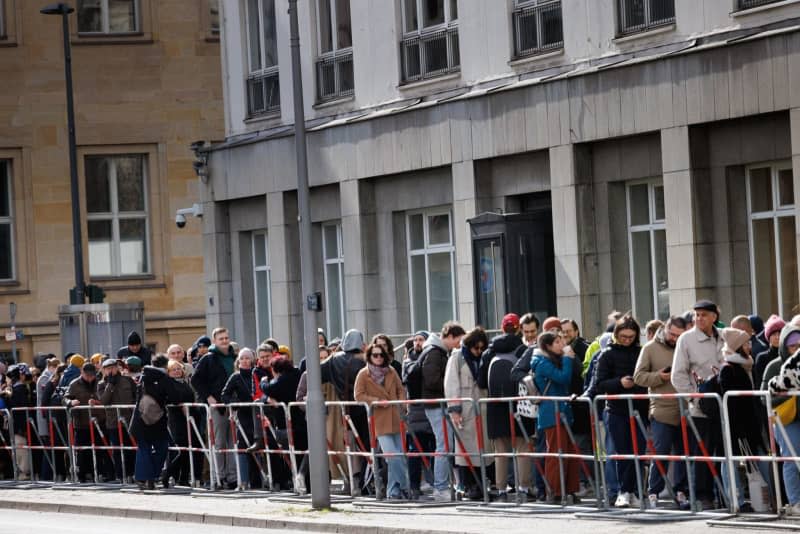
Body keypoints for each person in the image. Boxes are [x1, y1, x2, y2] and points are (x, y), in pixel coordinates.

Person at [671, 300, 725, 509]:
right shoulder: (686, 339)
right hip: (701, 407)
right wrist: (694, 398)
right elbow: (678, 375)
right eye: (697, 314)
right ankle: (704, 496)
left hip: (724, 405)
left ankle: (726, 493)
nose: (699, 318)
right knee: (703, 453)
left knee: (723, 451)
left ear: (714, 317)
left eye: (704, 314)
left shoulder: (723, 336)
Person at [633, 315, 689, 509]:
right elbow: (638, 377)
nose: (674, 339)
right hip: (661, 409)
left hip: (685, 408)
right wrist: (659, 376)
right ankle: (653, 492)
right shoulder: (650, 348)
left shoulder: (685, 346)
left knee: (683, 454)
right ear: (664, 328)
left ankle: (681, 491)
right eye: (672, 334)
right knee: (661, 451)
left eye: (678, 336)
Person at [595, 314, 648, 508]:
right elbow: (599, 383)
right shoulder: (607, 354)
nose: (627, 340)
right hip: (616, 410)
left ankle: (633, 491)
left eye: (631, 337)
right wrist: (619, 383)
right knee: (623, 452)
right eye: (623, 336)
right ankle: (624, 491)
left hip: (640, 408)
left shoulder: (641, 352)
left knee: (639, 452)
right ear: (616, 334)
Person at [480, 313, 531, 499]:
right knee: (522, 446)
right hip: (519, 404)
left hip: (495, 405)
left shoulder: (489, 351)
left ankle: (501, 489)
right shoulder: (523, 349)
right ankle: (524, 488)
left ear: (502, 328)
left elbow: (481, 382)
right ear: (518, 328)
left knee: (500, 450)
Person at [718, 327, 767, 512]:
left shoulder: (747, 364)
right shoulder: (729, 369)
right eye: (746, 343)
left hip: (750, 424)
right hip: (736, 426)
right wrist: (738, 428)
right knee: (729, 461)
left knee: (759, 459)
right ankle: (736, 501)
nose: (749, 346)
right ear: (737, 346)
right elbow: (730, 402)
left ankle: (768, 498)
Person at [355, 343, 409, 500]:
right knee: (392, 456)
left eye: (381, 355)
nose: (378, 358)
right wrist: (377, 401)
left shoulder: (391, 371)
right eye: (375, 355)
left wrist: (401, 404)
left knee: (398, 455)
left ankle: (393, 491)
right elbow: (358, 396)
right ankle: (405, 485)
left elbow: (401, 389)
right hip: (379, 419)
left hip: (396, 417)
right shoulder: (363, 374)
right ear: (369, 356)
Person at [531, 331, 580, 503]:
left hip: (563, 411)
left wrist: (569, 359)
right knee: (555, 453)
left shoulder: (553, 360)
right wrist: (567, 358)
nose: (562, 344)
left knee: (570, 452)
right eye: (558, 342)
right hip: (551, 413)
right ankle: (555, 491)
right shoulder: (542, 363)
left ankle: (570, 489)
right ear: (548, 346)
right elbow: (563, 378)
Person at [445, 326, 492, 500]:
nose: (478, 352)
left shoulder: (484, 358)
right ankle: (469, 486)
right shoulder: (457, 357)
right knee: (465, 450)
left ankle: (483, 484)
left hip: (482, 409)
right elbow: (451, 385)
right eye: (476, 348)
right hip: (465, 410)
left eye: (481, 348)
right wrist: (455, 410)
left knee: (482, 449)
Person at [320, 329, 370, 495]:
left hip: (345, 411)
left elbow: (314, 372)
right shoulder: (364, 360)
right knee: (368, 446)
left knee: (353, 447)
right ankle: (366, 482)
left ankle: (358, 482)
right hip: (366, 408)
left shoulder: (333, 360)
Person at [421, 321, 466, 501]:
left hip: (436, 405)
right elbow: (432, 380)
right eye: (458, 341)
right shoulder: (434, 353)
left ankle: (443, 486)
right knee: (444, 445)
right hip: (436, 405)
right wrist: (452, 386)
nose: (459, 345)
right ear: (450, 336)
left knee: (445, 445)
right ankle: (440, 488)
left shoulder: (437, 351)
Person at [191, 326, 237, 489]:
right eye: (221, 339)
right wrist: (208, 397)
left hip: (234, 406)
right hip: (217, 406)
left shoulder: (234, 356)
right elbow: (195, 379)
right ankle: (219, 477)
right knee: (219, 442)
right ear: (215, 341)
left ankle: (232, 477)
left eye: (226, 338)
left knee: (233, 443)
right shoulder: (208, 358)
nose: (224, 341)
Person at [129, 355, 181, 490]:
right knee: (162, 448)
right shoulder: (165, 378)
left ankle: (143, 478)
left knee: (144, 448)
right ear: (165, 366)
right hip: (158, 421)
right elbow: (175, 398)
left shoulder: (143, 377)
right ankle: (152, 476)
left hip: (140, 419)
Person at [261, 355, 306, 491]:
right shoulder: (298, 374)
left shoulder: (282, 380)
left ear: (276, 370)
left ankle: (299, 481)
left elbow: (268, 389)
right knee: (303, 453)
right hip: (302, 422)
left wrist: (263, 382)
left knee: (293, 456)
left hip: (288, 424)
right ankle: (302, 481)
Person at [401, 331, 435, 498]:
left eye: (421, 340)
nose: (417, 343)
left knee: (434, 449)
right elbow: (410, 377)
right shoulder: (408, 361)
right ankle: (414, 486)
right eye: (415, 340)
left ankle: (435, 482)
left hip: (432, 407)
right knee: (414, 450)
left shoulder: (433, 358)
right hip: (415, 410)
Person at [768, 344, 800, 515]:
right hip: (787, 419)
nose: (795, 348)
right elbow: (765, 395)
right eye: (792, 345)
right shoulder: (774, 365)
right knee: (791, 460)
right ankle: (795, 502)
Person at [221, 348, 258, 489]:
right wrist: (234, 404)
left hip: (257, 414)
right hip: (243, 415)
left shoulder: (257, 373)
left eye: (247, 358)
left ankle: (257, 481)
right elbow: (225, 395)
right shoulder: (236, 377)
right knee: (242, 446)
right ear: (238, 361)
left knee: (258, 445)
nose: (244, 360)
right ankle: (243, 481)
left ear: (252, 360)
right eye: (242, 358)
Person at [63, 362, 105, 482]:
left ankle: (98, 474)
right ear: (82, 373)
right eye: (87, 375)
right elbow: (65, 398)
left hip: (99, 422)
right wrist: (70, 403)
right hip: (82, 423)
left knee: (99, 450)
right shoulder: (74, 384)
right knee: (81, 451)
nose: (90, 378)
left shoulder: (99, 382)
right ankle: (81, 475)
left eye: (92, 375)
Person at [97, 357, 137, 482]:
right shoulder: (101, 384)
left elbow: (136, 396)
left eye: (113, 367)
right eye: (108, 368)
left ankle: (133, 474)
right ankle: (120, 475)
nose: (111, 370)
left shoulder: (127, 380)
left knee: (132, 448)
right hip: (113, 421)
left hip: (129, 419)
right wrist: (110, 384)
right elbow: (103, 401)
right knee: (117, 450)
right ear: (103, 370)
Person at [162, 359, 195, 487]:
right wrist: (179, 404)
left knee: (187, 449)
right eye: (173, 369)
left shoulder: (185, 383)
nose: (176, 371)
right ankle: (168, 473)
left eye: (178, 369)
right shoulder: (168, 383)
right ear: (168, 372)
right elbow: (169, 398)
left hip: (188, 418)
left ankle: (184, 478)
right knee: (178, 449)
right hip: (175, 419)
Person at [3, 364, 33, 480]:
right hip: (18, 425)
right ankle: (22, 472)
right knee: (20, 449)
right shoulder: (17, 389)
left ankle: (22, 472)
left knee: (20, 449)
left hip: (17, 425)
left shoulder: (17, 390)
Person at [35, 357, 59, 480]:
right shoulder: (45, 378)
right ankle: (46, 476)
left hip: (46, 417)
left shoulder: (46, 376)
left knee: (50, 448)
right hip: (44, 418)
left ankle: (48, 475)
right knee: (48, 448)